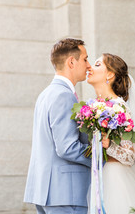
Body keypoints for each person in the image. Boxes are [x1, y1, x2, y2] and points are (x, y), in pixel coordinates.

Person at [24, 38, 110, 214]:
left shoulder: (45, 94)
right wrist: (98, 159)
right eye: (85, 59)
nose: (88, 65)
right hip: (65, 193)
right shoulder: (63, 95)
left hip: (45, 191)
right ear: (72, 62)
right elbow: (67, 147)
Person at [87, 53, 135, 214]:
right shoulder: (92, 107)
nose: (90, 67)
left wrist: (109, 146)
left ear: (109, 74)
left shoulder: (120, 108)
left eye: (97, 64)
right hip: (98, 178)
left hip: (115, 181)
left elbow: (130, 158)